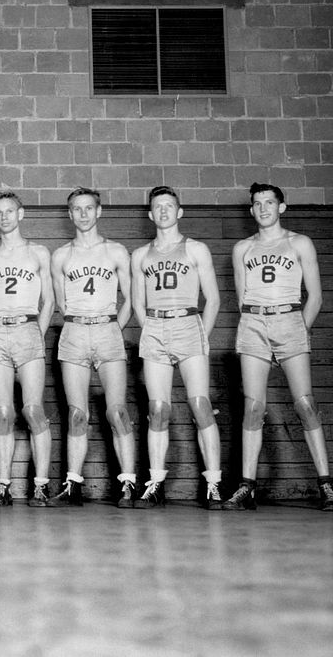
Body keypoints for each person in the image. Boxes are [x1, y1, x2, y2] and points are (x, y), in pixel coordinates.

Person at [223, 183, 332, 511]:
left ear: (281, 207)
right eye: (257, 204)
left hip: (290, 319)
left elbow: (315, 296)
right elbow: (242, 298)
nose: (263, 208)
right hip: (254, 323)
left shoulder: (299, 243)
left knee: (305, 405)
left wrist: (298, 329)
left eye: (269, 202)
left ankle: (327, 484)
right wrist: (259, 331)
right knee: (253, 408)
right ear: (251, 210)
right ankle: (247, 487)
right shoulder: (242, 248)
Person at [130, 186, 224, 510]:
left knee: (199, 404)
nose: (164, 211)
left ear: (179, 211)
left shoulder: (196, 249)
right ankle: (155, 482)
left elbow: (213, 300)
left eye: (169, 205)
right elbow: (137, 303)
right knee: (158, 409)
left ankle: (213, 483)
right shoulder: (140, 255)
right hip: (156, 326)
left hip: (189, 324)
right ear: (150, 214)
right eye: (158, 206)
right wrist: (154, 330)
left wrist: (201, 335)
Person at [50, 187, 136, 508]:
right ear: (69, 214)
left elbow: (131, 299)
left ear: (98, 212)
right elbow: (60, 303)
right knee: (76, 414)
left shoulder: (115, 251)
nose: (83, 214)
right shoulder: (61, 255)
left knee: (117, 411)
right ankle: (73, 485)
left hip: (108, 330)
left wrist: (114, 328)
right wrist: (80, 325)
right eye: (76, 209)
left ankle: (128, 483)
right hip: (74, 331)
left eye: (89, 208)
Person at [0, 192, 54, 508]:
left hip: (28, 329)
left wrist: (37, 333)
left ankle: (40, 485)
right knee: (2, 413)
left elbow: (49, 300)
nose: (4, 217)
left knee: (33, 410)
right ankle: (3, 486)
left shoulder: (38, 252)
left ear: (21, 214)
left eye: (10, 211)